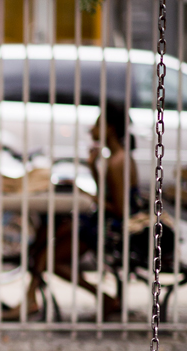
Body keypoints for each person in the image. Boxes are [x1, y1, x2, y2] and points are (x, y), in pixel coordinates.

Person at [27, 101, 139, 316]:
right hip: (103, 221)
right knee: (51, 234)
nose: (92, 130)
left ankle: (102, 297)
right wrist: (93, 169)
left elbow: (120, 209)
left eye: (97, 125)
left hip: (111, 228)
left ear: (110, 128)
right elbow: (109, 196)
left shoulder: (118, 162)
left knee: (49, 256)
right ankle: (30, 295)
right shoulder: (114, 158)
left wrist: (84, 194)